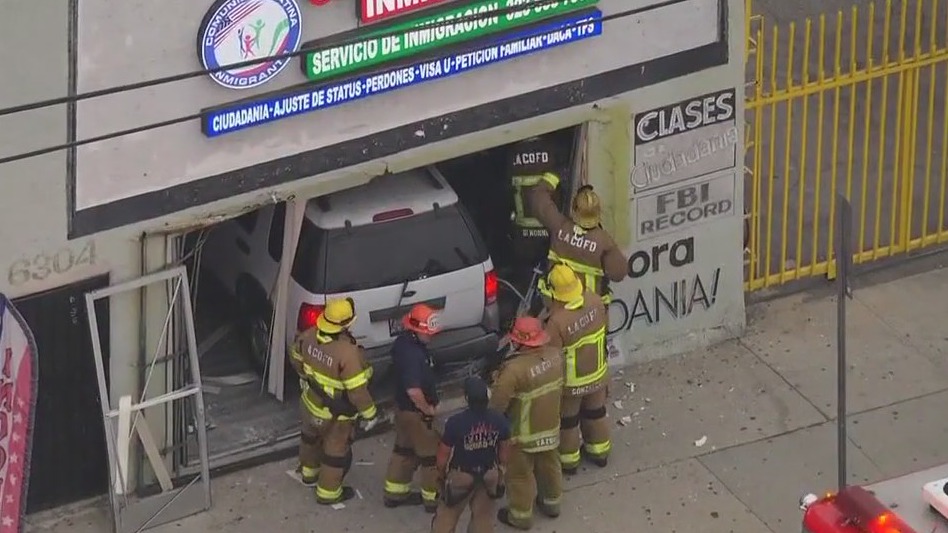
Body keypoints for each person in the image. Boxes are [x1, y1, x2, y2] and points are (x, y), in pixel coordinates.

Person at [288, 297, 379, 505]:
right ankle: (328, 493)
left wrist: (307, 375)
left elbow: (296, 359)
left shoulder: (308, 336)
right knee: (335, 452)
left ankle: (309, 474)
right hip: (335, 415)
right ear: (346, 325)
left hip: (310, 403)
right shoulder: (348, 353)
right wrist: (370, 413)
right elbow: (357, 391)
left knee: (309, 439)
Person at [488, 316, 564, 530]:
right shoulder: (556, 356)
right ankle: (552, 504)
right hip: (550, 428)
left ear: (519, 341)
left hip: (522, 436)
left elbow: (497, 406)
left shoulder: (513, 371)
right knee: (550, 467)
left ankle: (520, 516)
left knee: (519, 476)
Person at [543, 264, 610, 474]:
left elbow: (552, 358)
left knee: (568, 422)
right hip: (598, 373)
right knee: (596, 413)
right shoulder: (596, 302)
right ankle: (600, 453)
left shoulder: (557, 322)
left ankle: (570, 462)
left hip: (572, 383)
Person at [430, 377, 512, 533]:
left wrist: (441, 475)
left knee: (446, 518)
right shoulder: (499, 419)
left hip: (462, 476)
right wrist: (501, 471)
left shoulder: (456, 422)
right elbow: (505, 448)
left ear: (467, 398)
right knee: (482, 519)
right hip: (489, 474)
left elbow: (443, 454)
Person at [384, 303, 443, 512]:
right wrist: (427, 410)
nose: (431, 336)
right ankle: (432, 500)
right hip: (416, 412)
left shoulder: (403, 343)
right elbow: (413, 391)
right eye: (428, 333)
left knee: (404, 450)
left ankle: (394, 494)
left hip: (403, 410)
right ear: (416, 329)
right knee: (431, 457)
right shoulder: (413, 356)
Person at [527, 181, 627, 305]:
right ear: (598, 213)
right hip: (589, 310)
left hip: (557, 305)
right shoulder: (604, 242)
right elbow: (618, 274)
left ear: (574, 210)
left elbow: (538, 200)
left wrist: (550, 180)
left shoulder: (559, 226)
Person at [507, 136, 559, 292]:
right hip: (549, 234)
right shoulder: (552, 151)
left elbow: (506, 191)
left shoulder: (511, 155)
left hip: (522, 238)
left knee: (526, 284)